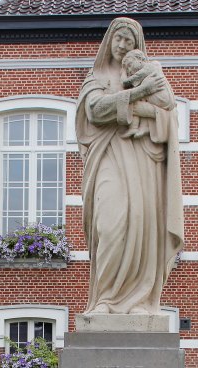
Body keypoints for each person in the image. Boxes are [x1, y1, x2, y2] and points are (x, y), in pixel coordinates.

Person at [76, 17, 184, 316]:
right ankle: (105, 300)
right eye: (118, 38)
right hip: (110, 157)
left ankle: (138, 301)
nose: (122, 46)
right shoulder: (97, 78)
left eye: (129, 41)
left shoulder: (149, 74)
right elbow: (96, 111)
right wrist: (138, 93)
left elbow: (169, 117)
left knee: (142, 224)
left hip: (143, 161)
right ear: (109, 41)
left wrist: (143, 108)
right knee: (110, 225)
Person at [121, 49, 174, 139]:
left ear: (139, 59)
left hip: (163, 99)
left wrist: (123, 72)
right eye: (127, 68)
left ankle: (134, 127)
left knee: (134, 97)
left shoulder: (149, 67)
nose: (129, 70)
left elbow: (126, 82)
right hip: (163, 100)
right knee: (138, 93)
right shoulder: (152, 68)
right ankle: (144, 127)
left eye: (130, 65)